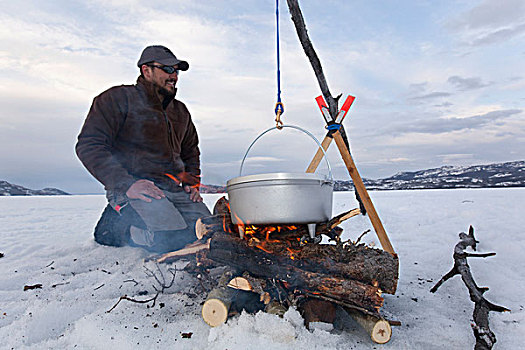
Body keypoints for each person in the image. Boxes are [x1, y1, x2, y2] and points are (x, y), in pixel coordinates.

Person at [76, 45, 211, 253]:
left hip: (173, 188)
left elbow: (190, 150)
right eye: (167, 69)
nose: (173, 76)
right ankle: (112, 229)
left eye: (176, 70)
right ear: (146, 70)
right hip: (135, 186)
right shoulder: (117, 99)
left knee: (210, 231)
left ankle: (145, 217)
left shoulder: (180, 111)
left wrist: (191, 183)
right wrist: (127, 183)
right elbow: (89, 145)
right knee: (171, 240)